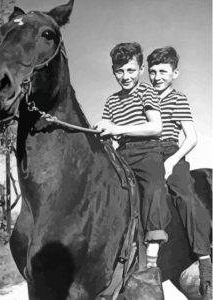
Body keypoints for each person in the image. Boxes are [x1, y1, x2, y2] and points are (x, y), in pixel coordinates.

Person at [94, 42, 172, 269]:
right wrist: (102, 132)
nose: (125, 76)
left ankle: (152, 252)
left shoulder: (146, 91)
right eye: (120, 71)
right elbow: (108, 131)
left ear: (141, 70)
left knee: (154, 187)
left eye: (130, 70)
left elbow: (155, 127)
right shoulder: (111, 101)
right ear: (113, 71)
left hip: (148, 150)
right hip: (122, 154)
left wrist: (117, 128)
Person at [147, 46, 212, 297]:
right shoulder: (144, 97)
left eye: (163, 71)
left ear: (175, 72)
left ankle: (204, 259)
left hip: (172, 153)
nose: (157, 77)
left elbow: (191, 137)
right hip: (146, 154)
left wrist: (172, 161)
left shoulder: (178, 98)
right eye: (152, 72)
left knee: (186, 198)